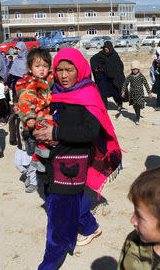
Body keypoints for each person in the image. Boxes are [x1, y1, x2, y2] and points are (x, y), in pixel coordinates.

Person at [33, 48, 122, 270]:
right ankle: (91, 227)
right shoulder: (54, 92)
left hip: (71, 163)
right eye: (59, 70)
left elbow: (90, 132)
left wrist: (55, 133)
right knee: (64, 201)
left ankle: (50, 263)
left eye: (69, 70)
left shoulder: (89, 94)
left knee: (57, 217)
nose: (63, 75)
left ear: (80, 70)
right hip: (50, 160)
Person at [15, 48, 55, 173]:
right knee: (39, 137)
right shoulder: (27, 83)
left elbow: (56, 76)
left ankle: (37, 159)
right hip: (33, 118)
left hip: (44, 115)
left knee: (49, 134)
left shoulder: (47, 79)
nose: (42, 69)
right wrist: (29, 117)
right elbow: (25, 101)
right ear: (29, 68)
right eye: (37, 66)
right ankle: (35, 160)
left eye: (45, 66)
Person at [90, 41, 125, 110]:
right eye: (105, 47)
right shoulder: (100, 55)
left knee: (116, 90)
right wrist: (95, 68)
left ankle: (119, 104)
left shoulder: (114, 55)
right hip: (103, 76)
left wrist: (118, 73)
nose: (106, 49)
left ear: (110, 47)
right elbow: (92, 59)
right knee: (103, 92)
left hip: (113, 77)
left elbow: (120, 65)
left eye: (107, 48)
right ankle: (104, 107)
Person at [11, 102, 37, 193]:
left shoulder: (29, 118)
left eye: (18, 105)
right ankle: (28, 175)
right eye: (14, 105)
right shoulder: (14, 117)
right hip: (20, 146)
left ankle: (34, 183)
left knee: (31, 166)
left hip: (29, 147)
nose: (15, 107)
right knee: (18, 164)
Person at [121, 60, 152, 125]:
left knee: (138, 105)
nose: (135, 70)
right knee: (135, 106)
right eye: (133, 69)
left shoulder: (141, 76)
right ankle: (137, 114)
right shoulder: (130, 76)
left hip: (140, 94)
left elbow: (146, 84)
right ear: (131, 70)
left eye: (136, 69)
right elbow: (125, 84)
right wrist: (123, 91)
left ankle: (137, 118)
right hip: (132, 94)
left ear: (138, 69)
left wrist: (149, 93)